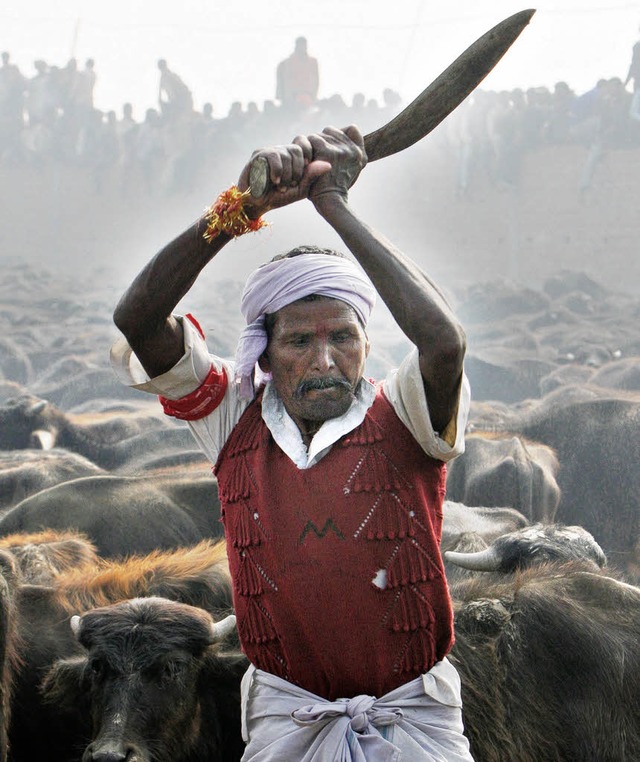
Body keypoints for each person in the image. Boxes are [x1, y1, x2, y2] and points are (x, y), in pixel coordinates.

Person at [111, 124, 473, 761]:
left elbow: (444, 342)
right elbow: (138, 318)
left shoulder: (407, 414)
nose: (326, 360)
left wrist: (333, 202)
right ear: (268, 355)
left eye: (344, 337)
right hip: (287, 722)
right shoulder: (232, 414)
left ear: (366, 344)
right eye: (300, 342)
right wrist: (239, 208)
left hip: (413, 722)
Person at [275, 36, 319, 111]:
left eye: (304, 45)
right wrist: (287, 98)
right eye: (300, 45)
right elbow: (284, 80)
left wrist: (313, 95)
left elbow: (316, 80)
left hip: (308, 96)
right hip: (292, 97)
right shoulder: (287, 63)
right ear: (296, 46)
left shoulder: (312, 62)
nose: (302, 47)